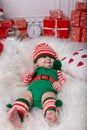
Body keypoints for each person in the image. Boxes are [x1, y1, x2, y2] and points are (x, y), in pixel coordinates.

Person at [7, 43, 66, 128]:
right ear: (36, 63)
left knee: (50, 97)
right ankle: (18, 115)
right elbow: (25, 81)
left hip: (48, 90)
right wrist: (30, 73)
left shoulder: (56, 71)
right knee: (24, 96)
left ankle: (50, 114)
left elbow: (63, 81)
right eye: (43, 57)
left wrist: (60, 83)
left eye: (51, 57)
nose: (48, 59)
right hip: (31, 91)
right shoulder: (35, 70)